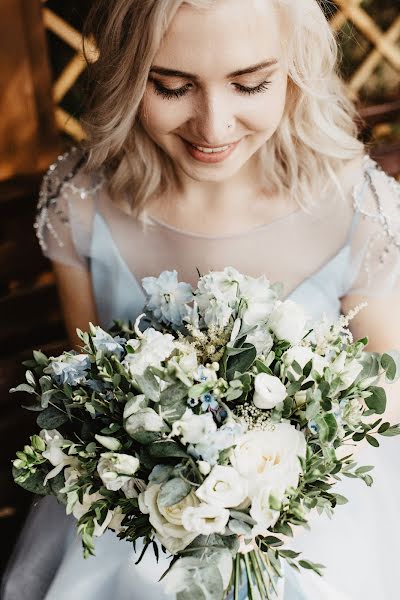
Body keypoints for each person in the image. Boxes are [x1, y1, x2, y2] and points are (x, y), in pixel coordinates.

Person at [2, 0, 400, 598]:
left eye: (250, 84)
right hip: (132, 525)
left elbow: (386, 397)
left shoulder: (354, 207)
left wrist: (263, 476)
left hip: (316, 523)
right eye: (171, 87)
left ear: (294, 70)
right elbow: (83, 381)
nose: (213, 127)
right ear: (126, 75)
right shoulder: (81, 203)